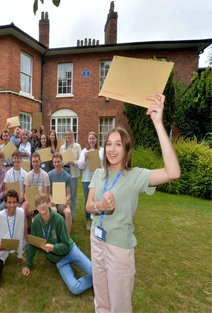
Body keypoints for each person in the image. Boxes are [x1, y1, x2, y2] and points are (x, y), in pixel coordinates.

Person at [86, 94, 180, 312]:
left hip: (119, 249)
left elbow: (173, 172)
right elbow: (89, 206)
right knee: (101, 302)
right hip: (96, 242)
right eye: (108, 143)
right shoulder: (99, 173)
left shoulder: (135, 175)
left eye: (118, 144)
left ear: (126, 149)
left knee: (119, 306)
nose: (112, 149)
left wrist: (158, 123)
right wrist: (101, 206)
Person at [22, 193, 93, 295]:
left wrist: (53, 248)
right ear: (36, 207)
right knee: (75, 288)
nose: (42, 205)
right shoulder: (36, 222)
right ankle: (96, 280)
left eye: (44, 202)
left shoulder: (58, 219)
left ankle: (97, 278)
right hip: (59, 260)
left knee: (95, 272)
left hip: (71, 250)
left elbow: (66, 245)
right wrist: (28, 265)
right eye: (39, 204)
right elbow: (33, 244)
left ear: (49, 203)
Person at [78, 131, 104, 230]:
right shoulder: (84, 151)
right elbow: (80, 166)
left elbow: (105, 164)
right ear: (88, 140)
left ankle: (97, 220)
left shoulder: (102, 150)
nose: (91, 140)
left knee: (99, 199)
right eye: (90, 139)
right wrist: (84, 158)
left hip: (99, 179)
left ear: (96, 139)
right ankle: (88, 220)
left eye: (93, 138)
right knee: (87, 200)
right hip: (87, 179)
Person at [48, 153, 72, 235]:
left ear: (62, 162)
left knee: (68, 212)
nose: (57, 164)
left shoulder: (67, 176)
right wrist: (51, 200)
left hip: (62, 202)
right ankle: (54, 234)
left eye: (58, 162)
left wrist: (66, 200)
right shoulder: (49, 175)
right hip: (53, 202)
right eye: (55, 162)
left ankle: (67, 237)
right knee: (53, 211)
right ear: (53, 163)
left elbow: (68, 194)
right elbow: (48, 192)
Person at [59, 129, 81, 219]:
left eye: (69, 134)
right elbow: (60, 159)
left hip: (73, 171)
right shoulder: (62, 148)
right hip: (64, 171)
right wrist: (61, 163)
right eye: (66, 134)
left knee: (73, 194)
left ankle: (71, 215)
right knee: (63, 193)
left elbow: (80, 161)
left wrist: (74, 162)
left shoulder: (77, 146)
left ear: (73, 135)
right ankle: (63, 212)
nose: (68, 136)